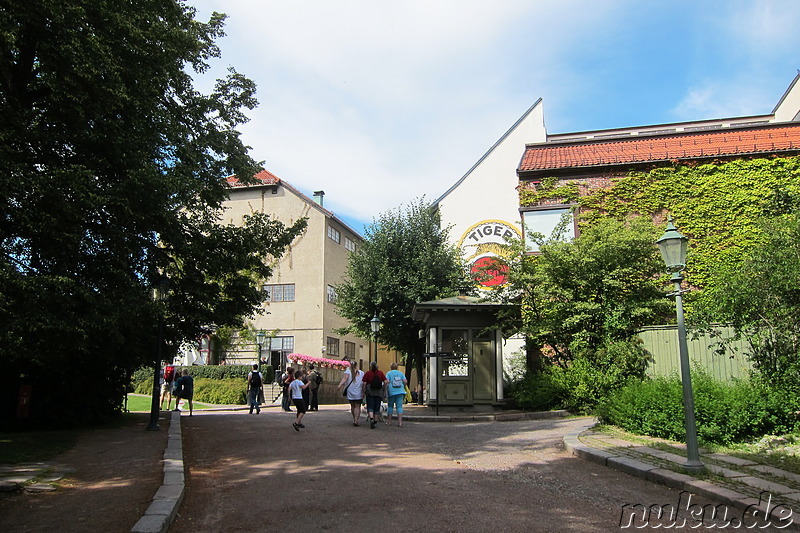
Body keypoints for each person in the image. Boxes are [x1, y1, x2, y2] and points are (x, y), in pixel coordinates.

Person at [338, 360, 364, 426]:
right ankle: (356, 420)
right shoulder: (361, 373)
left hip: (350, 391)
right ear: (356, 365)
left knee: (352, 406)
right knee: (357, 406)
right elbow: (364, 382)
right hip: (359, 391)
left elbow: (345, 379)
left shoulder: (348, 372)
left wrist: (340, 385)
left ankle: (354, 418)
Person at [361, 361, 387, 429]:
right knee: (377, 407)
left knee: (370, 406)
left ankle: (371, 419)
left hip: (370, 391)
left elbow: (364, 383)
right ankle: (375, 422)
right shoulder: (380, 373)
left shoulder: (368, 373)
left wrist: (363, 391)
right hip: (379, 391)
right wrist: (383, 389)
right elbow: (386, 381)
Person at [385, 362, 408, 427]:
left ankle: (389, 421)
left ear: (391, 367)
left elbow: (386, 381)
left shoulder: (389, 373)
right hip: (400, 391)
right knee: (399, 407)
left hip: (391, 392)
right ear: (397, 367)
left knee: (390, 407)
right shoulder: (401, 373)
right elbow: (405, 381)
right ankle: (400, 422)